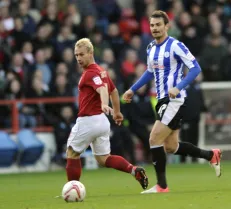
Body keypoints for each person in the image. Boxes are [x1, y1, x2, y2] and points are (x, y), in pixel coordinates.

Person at [123, 10, 222, 194]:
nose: (155, 28)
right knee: (170, 146)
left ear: (166, 26)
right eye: (152, 25)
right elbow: (149, 72)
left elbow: (195, 68)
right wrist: (132, 89)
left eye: (158, 25)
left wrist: (179, 86)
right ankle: (211, 155)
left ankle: (162, 185)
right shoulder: (150, 48)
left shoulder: (176, 45)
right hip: (161, 101)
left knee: (154, 138)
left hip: (175, 101)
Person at [65, 38, 148, 190]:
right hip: (102, 122)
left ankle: (72, 188)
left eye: (82, 54)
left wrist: (104, 104)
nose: (78, 58)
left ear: (91, 53)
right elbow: (114, 91)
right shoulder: (102, 72)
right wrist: (116, 112)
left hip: (88, 120)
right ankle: (133, 170)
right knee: (104, 159)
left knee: (72, 152)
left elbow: (103, 89)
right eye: (76, 55)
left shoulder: (91, 73)